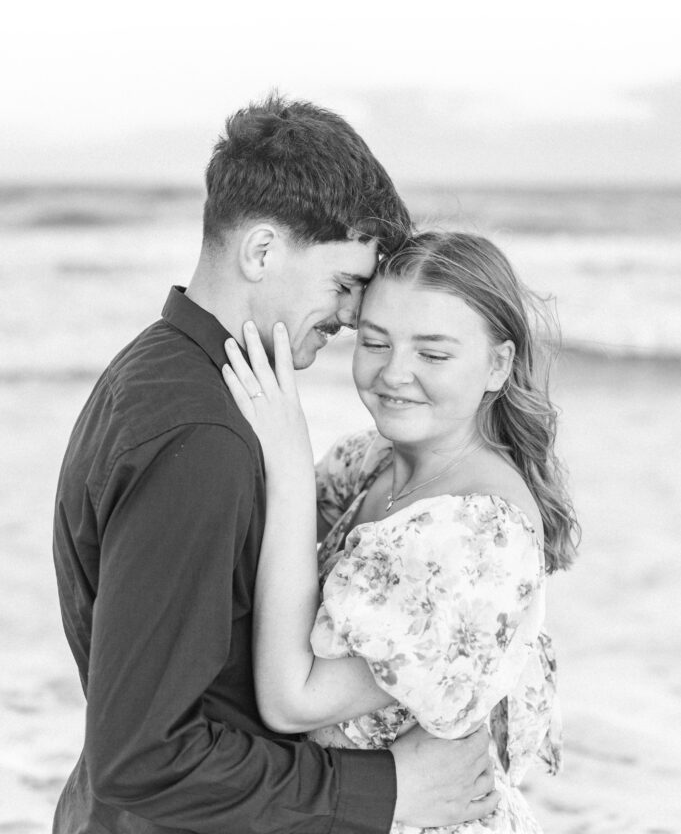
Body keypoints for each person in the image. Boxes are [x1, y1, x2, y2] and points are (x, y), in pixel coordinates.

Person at [52, 96, 501, 834]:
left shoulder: (160, 372)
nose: (354, 315)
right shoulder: (201, 440)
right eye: (345, 282)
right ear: (261, 252)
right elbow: (143, 759)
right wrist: (386, 791)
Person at [222, 230, 581, 834]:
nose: (395, 373)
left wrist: (286, 466)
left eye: (433, 354)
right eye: (375, 342)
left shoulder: (476, 535)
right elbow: (250, 536)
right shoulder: (375, 461)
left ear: (498, 364)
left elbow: (293, 700)